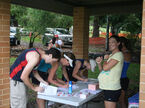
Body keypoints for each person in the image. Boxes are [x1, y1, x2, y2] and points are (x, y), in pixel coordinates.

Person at [96, 35, 124, 108]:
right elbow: (102, 71)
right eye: (109, 42)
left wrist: (105, 59)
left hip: (112, 88)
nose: (110, 44)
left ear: (118, 43)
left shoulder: (118, 55)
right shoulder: (111, 55)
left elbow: (105, 68)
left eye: (113, 42)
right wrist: (99, 63)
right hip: (107, 87)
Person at [119, 37, 131, 108]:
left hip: (122, 79)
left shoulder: (126, 53)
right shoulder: (121, 53)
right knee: (120, 100)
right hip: (119, 79)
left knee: (121, 101)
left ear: (122, 43)